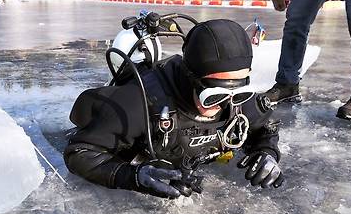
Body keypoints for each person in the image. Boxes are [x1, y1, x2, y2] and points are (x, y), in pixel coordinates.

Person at [64, 19, 283, 199]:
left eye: (237, 93)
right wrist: (133, 177)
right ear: (191, 79)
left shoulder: (237, 100)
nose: (225, 103)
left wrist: (266, 153)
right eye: (214, 96)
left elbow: (266, 129)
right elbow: (79, 152)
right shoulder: (140, 103)